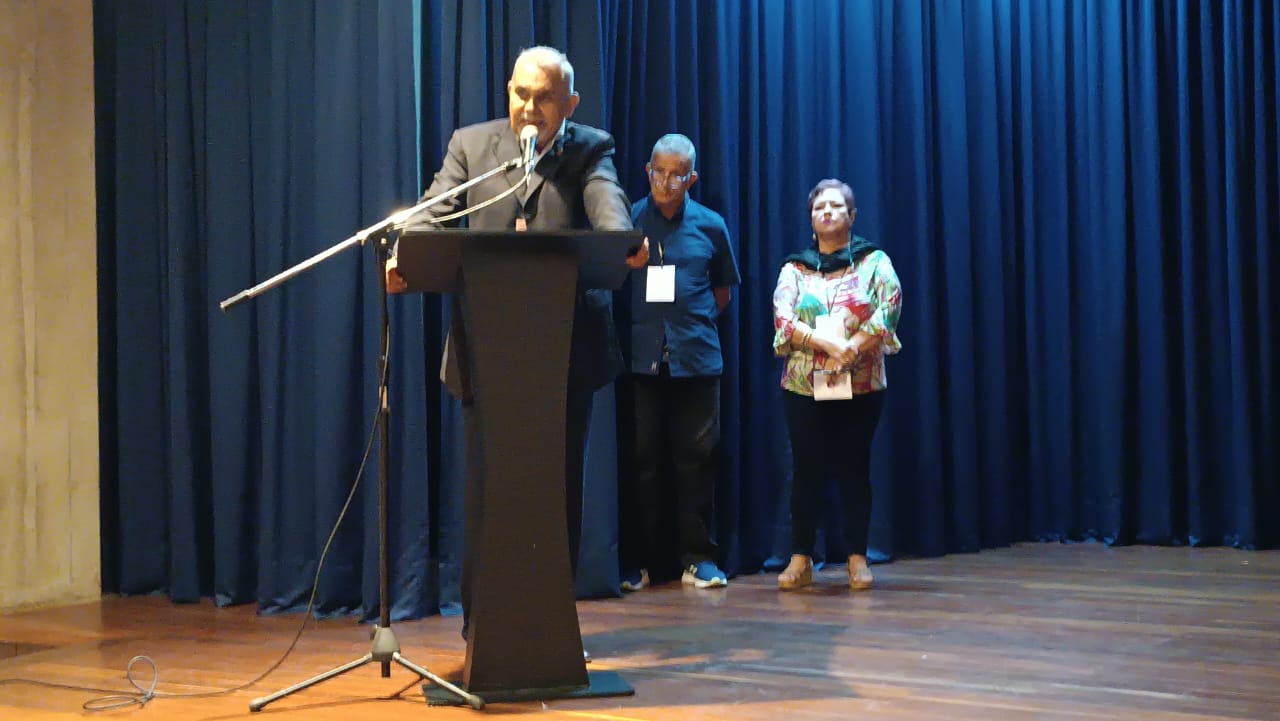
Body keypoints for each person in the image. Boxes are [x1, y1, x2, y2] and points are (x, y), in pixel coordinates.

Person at [385, 46, 649, 635]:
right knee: (488, 492)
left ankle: (551, 630)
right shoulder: (471, 146)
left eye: (545, 98)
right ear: (508, 91)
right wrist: (407, 252)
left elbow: (608, 209)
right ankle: (483, 629)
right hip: (486, 352)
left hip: (566, 355)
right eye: (521, 94)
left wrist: (622, 241)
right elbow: (431, 213)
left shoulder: (590, 149)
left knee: (558, 492)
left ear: (570, 103)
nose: (530, 109)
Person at [618, 134, 740, 592]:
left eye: (677, 175)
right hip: (642, 362)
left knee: (697, 461)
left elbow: (723, 293)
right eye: (659, 172)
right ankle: (644, 563)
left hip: (697, 359)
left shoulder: (711, 225)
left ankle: (699, 559)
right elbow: (609, 282)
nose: (666, 183)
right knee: (643, 462)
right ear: (647, 171)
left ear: (692, 178)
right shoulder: (628, 220)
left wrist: (690, 325)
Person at [770, 178, 902, 591]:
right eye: (818, 208)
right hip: (803, 384)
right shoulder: (795, 268)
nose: (826, 212)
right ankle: (800, 558)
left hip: (861, 383)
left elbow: (890, 305)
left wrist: (853, 347)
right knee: (805, 468)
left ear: (851, 215)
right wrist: (826, 343)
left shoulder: (873, 261)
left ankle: (857, 558)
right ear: (811, 219)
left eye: (835, 206)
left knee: (853, 467)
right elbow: (783, 318)